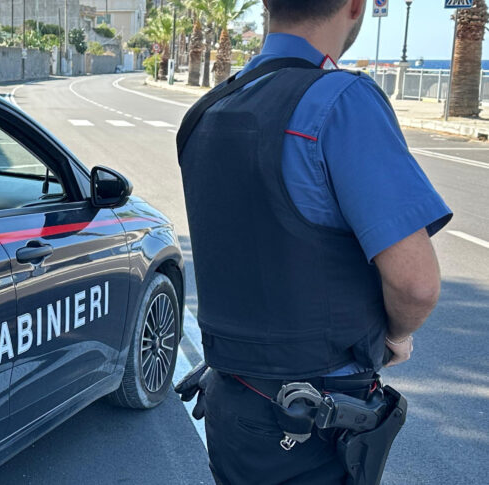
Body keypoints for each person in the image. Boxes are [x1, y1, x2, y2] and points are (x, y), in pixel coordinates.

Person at [174, 1, 452, 484]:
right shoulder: (341, 100)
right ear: (355, 6)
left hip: (231, 405)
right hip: (313, 421)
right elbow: (416, 285)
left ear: (266, 5)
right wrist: (395, 337)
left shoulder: (209, 109)